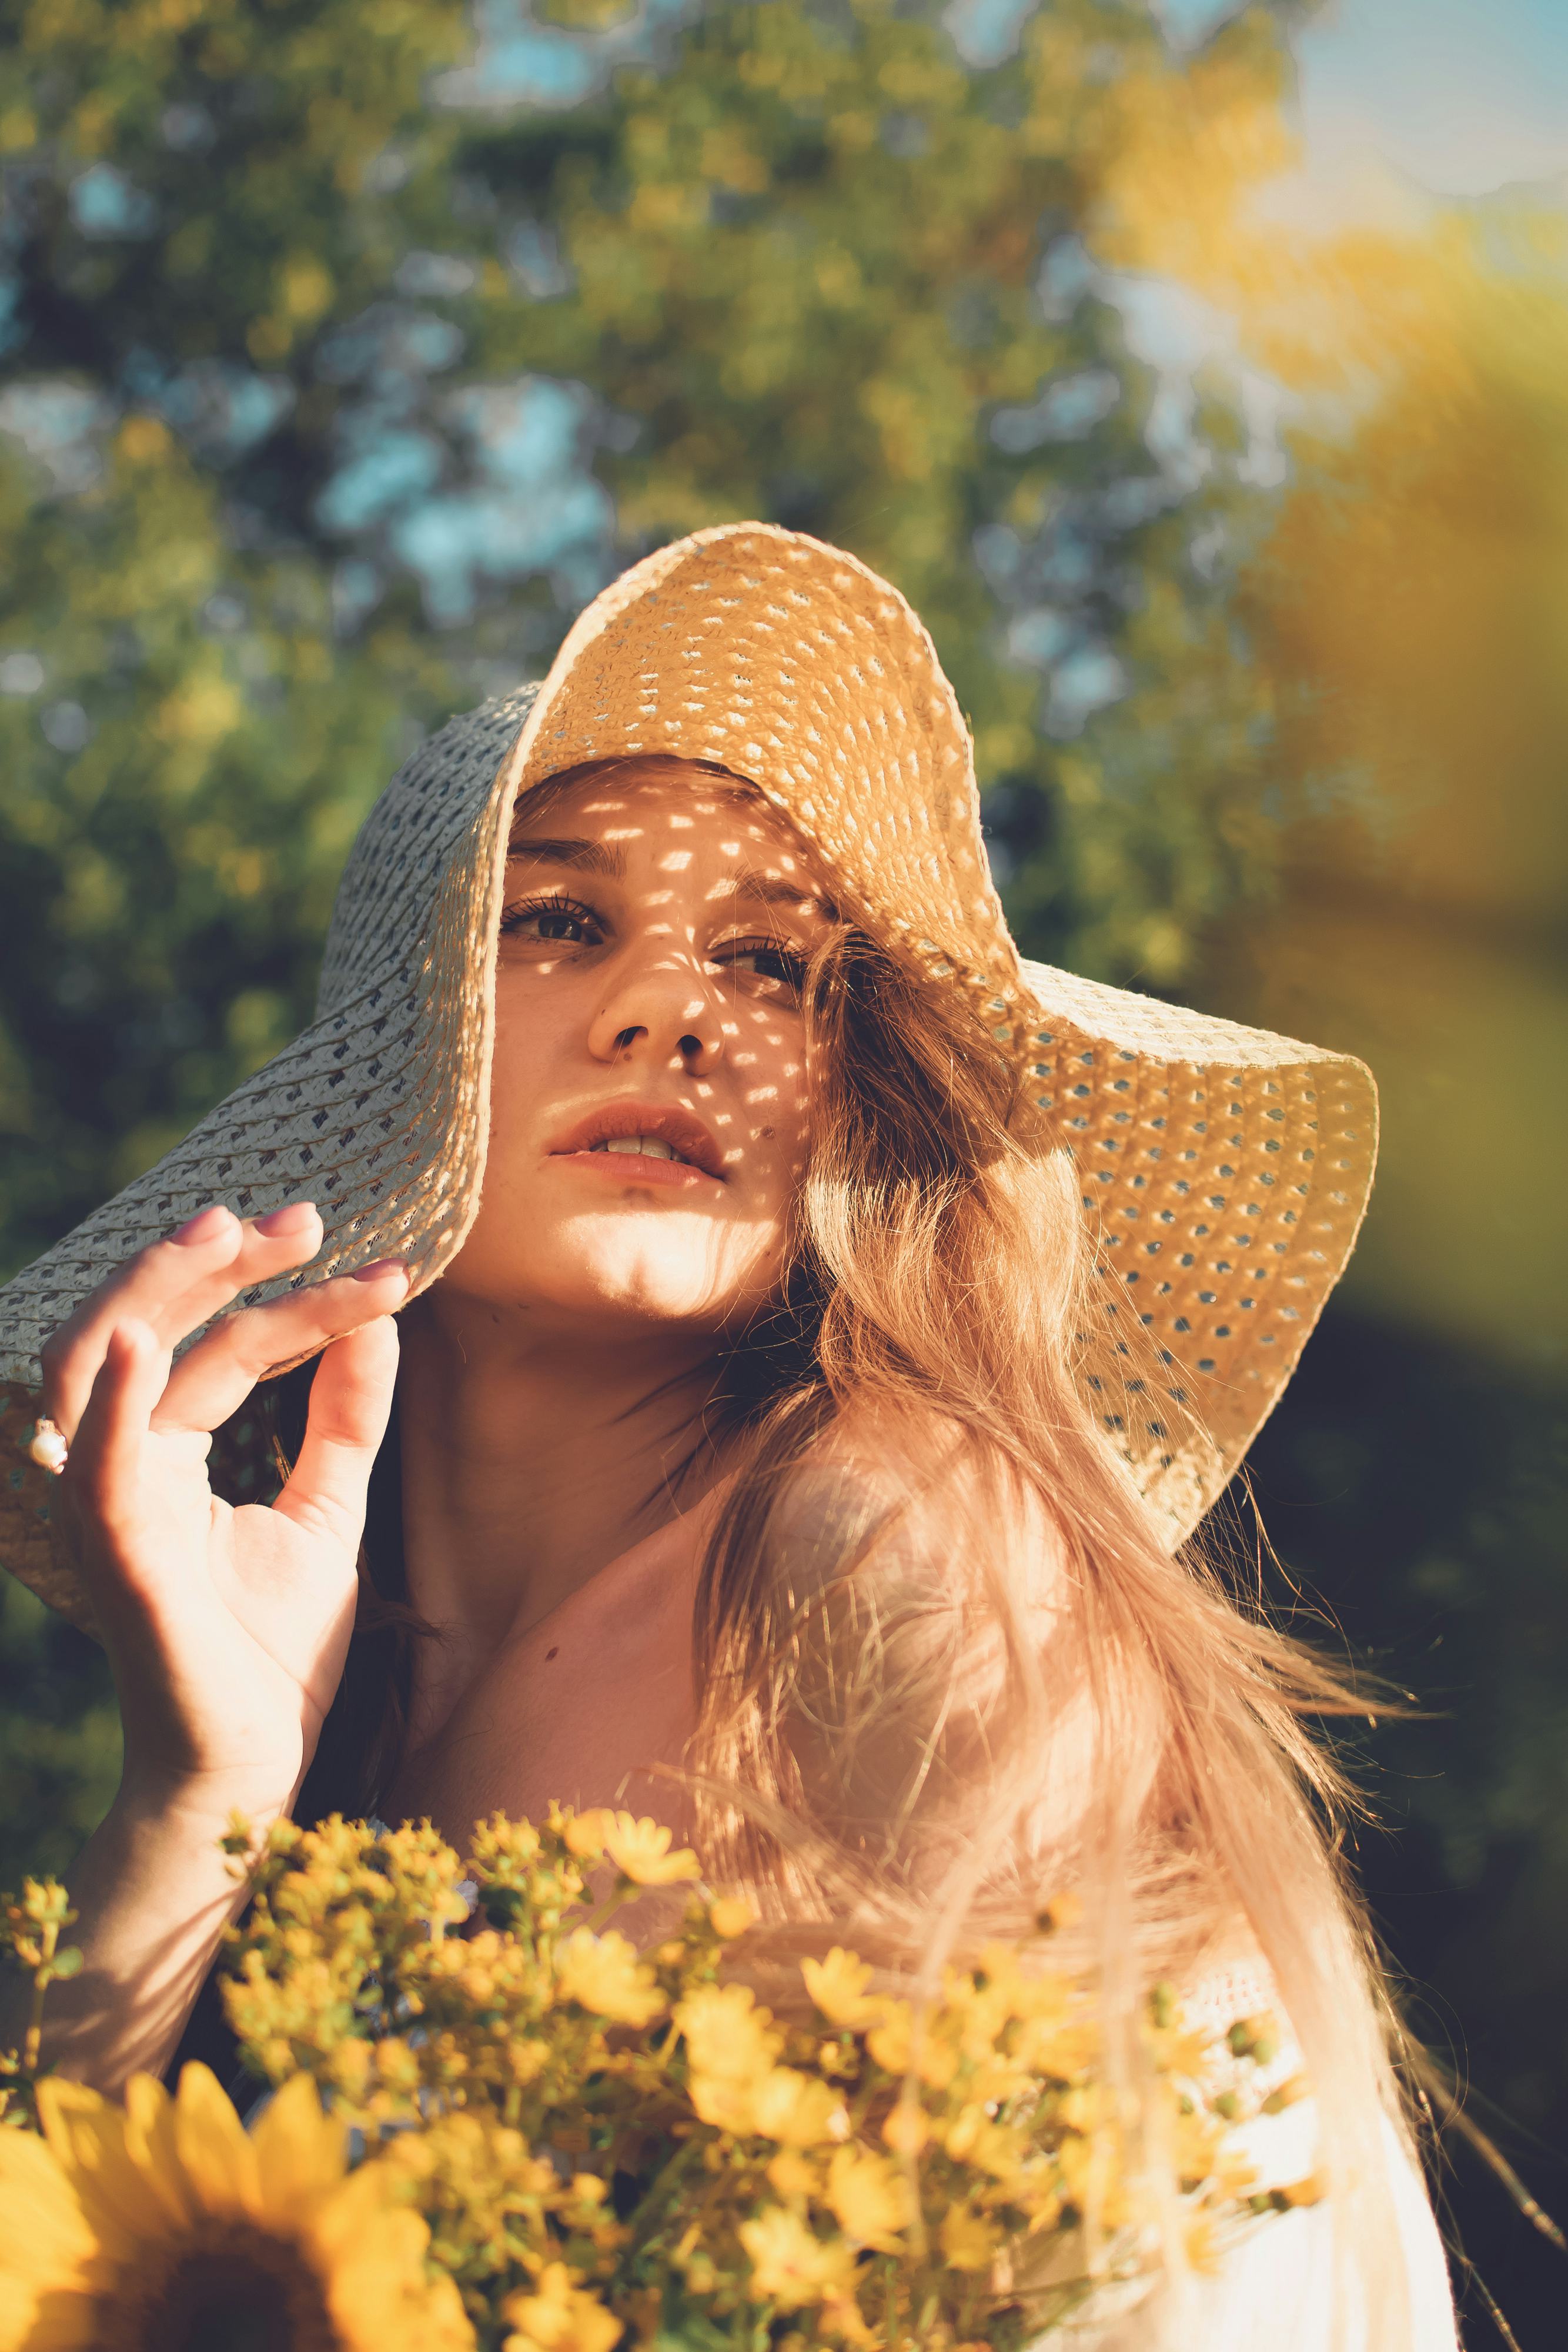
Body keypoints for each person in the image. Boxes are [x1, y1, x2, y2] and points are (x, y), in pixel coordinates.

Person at [0, 526, 1457, 2347]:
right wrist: (196, 1800)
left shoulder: (885, 1543)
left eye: (774, 970)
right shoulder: (329, 1729)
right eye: (559, 920)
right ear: (395, 1057)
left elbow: (1185, 2265)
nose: (675, 1016)